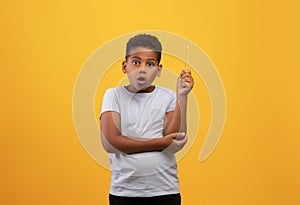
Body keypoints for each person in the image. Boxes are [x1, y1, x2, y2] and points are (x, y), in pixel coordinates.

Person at [100, 34, 194, 205]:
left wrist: (182, 96)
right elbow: (110, 143)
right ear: (125, 66)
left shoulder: (169, 97)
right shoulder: (113, 95)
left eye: (150, 64)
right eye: (136, 62)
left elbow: (174, 140)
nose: (142, 69)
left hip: (165, 191)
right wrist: (160, 143)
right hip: (124, 193)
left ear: (158, 70)